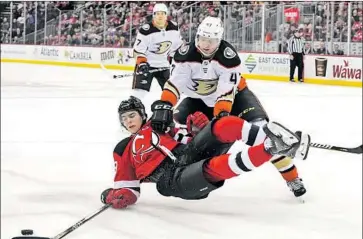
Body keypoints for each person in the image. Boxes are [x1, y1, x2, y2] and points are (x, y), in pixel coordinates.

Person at [150, 16, 307, 198]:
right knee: (172, 127)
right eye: (203, 39)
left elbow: (226, 93)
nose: (206, 45)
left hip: (236, 98)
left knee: (265, 136)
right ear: (196, 37)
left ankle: (292, 177)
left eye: (212, 41)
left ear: (220, 40)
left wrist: (220, 118)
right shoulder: (184, 55)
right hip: (197, 100)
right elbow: (175, 84)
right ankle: (172, 170)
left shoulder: (228, 57)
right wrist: (165, 105)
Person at [100, 96, 310, 209]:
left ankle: (278, 142)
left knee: (223, 125)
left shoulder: (159, 124)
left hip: (187, 153)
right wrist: (114, 196)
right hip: (168, 179)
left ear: (142, 114)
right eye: (124, 119)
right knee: (214, 167)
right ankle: (269, 149)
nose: (128, 121)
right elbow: (128, 188)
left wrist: (196, 130)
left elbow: (187, 138)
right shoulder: (122, 148)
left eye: (131, 115)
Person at [131, 3, 184, 99]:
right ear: (153, 15)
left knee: (173, 93)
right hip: (147, 65)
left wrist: (176, 62)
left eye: (162, 14)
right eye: (157, 14)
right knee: (138, 95)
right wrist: (142, 63)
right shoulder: (146, 30)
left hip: (164, 65)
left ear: (166, 15)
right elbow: (138, 50)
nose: (160, 16)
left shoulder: (174, 28)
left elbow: (176, 49)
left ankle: (169, 112)